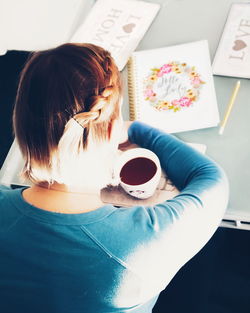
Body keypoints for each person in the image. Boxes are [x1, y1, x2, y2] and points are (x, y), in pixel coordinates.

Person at [0, 43, 229, 313]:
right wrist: (139, 131)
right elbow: (212, 179)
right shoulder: (144, 241)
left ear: (18, 124)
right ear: (112, 128)